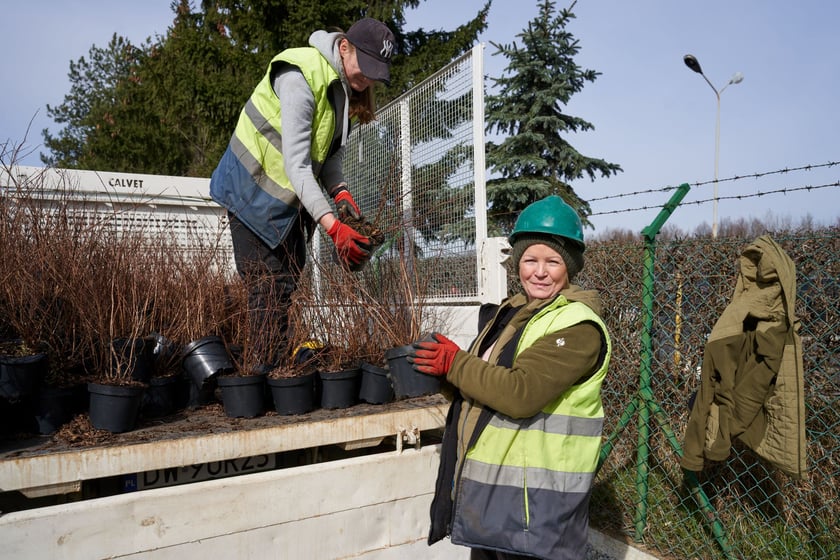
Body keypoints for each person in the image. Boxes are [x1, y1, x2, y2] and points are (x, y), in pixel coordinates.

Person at [408, 195, 612, 560]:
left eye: (553, 262)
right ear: (516, 263)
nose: (539, 271)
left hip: (537, 510)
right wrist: (442, 373)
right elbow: (482, 379)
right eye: (530, 259)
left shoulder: (578, 326)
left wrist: (454, 364)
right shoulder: (512, 312)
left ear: (569, 269)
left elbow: (520, 393)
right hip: (496, 501)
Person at [209, 18, 395, 366]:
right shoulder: (300, 78)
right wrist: (333, 227)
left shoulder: (340, 87)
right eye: (365, 66)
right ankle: (261, 377)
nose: (367, 79)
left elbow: (330, 153)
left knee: (285, 287)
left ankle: (270, 369)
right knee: (267, 288)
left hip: (285, 203)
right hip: (250, 192)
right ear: (344, 47)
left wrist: (340, 193)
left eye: (375, 72)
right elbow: (297, 165)